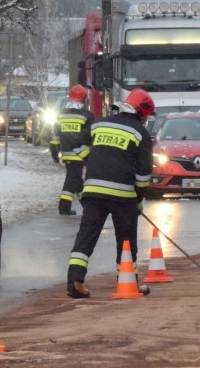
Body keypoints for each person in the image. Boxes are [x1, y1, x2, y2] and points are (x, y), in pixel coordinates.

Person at [66, 88, 155, 299]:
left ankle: (75, 281)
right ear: (142, 113)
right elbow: (144, 174)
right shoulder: (140, 133)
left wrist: (97, 160)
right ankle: (128, 280)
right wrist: (138, 199)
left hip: (93, 191)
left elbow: (77, 146)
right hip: (123, 195)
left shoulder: (99, 123)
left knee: (86, 236)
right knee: (126, 238)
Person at [55, 85, 95, 215]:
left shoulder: (60, 115)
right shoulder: (87, 116)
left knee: (75, 179)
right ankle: (65, 207)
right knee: (73, 179)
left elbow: (55, 137)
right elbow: (91, 135)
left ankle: (85, 205)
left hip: (66, 153)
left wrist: (55, 155)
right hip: (81, 153)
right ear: (84, 99)